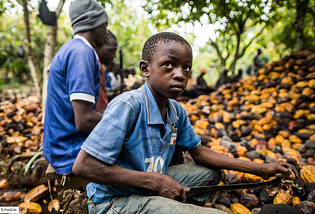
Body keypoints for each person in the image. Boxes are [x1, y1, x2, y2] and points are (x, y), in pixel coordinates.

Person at [73, 32, 295, 214]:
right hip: (113, 200)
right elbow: (84, 166)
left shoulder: (176, 110)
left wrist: (263, 169)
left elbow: (201, 154)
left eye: (186, 67)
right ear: (145, 69)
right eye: (169, 65)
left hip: (144, 185)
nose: (180, 74)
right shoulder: (129, 106)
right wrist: (155, 182)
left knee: (212, 174)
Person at [43, 0, 108, 195]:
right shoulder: (82, 52)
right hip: (70, 151)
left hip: (60, 145)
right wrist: (123, 119)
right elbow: (84, 120)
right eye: (105, 23)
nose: (106, 29)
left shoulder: (71, 48)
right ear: (94, 23)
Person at [96, 30, 118, 112]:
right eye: (111, 50)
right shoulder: (94, 66)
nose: (114, 56)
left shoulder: (100, 67)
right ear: (100, 46)